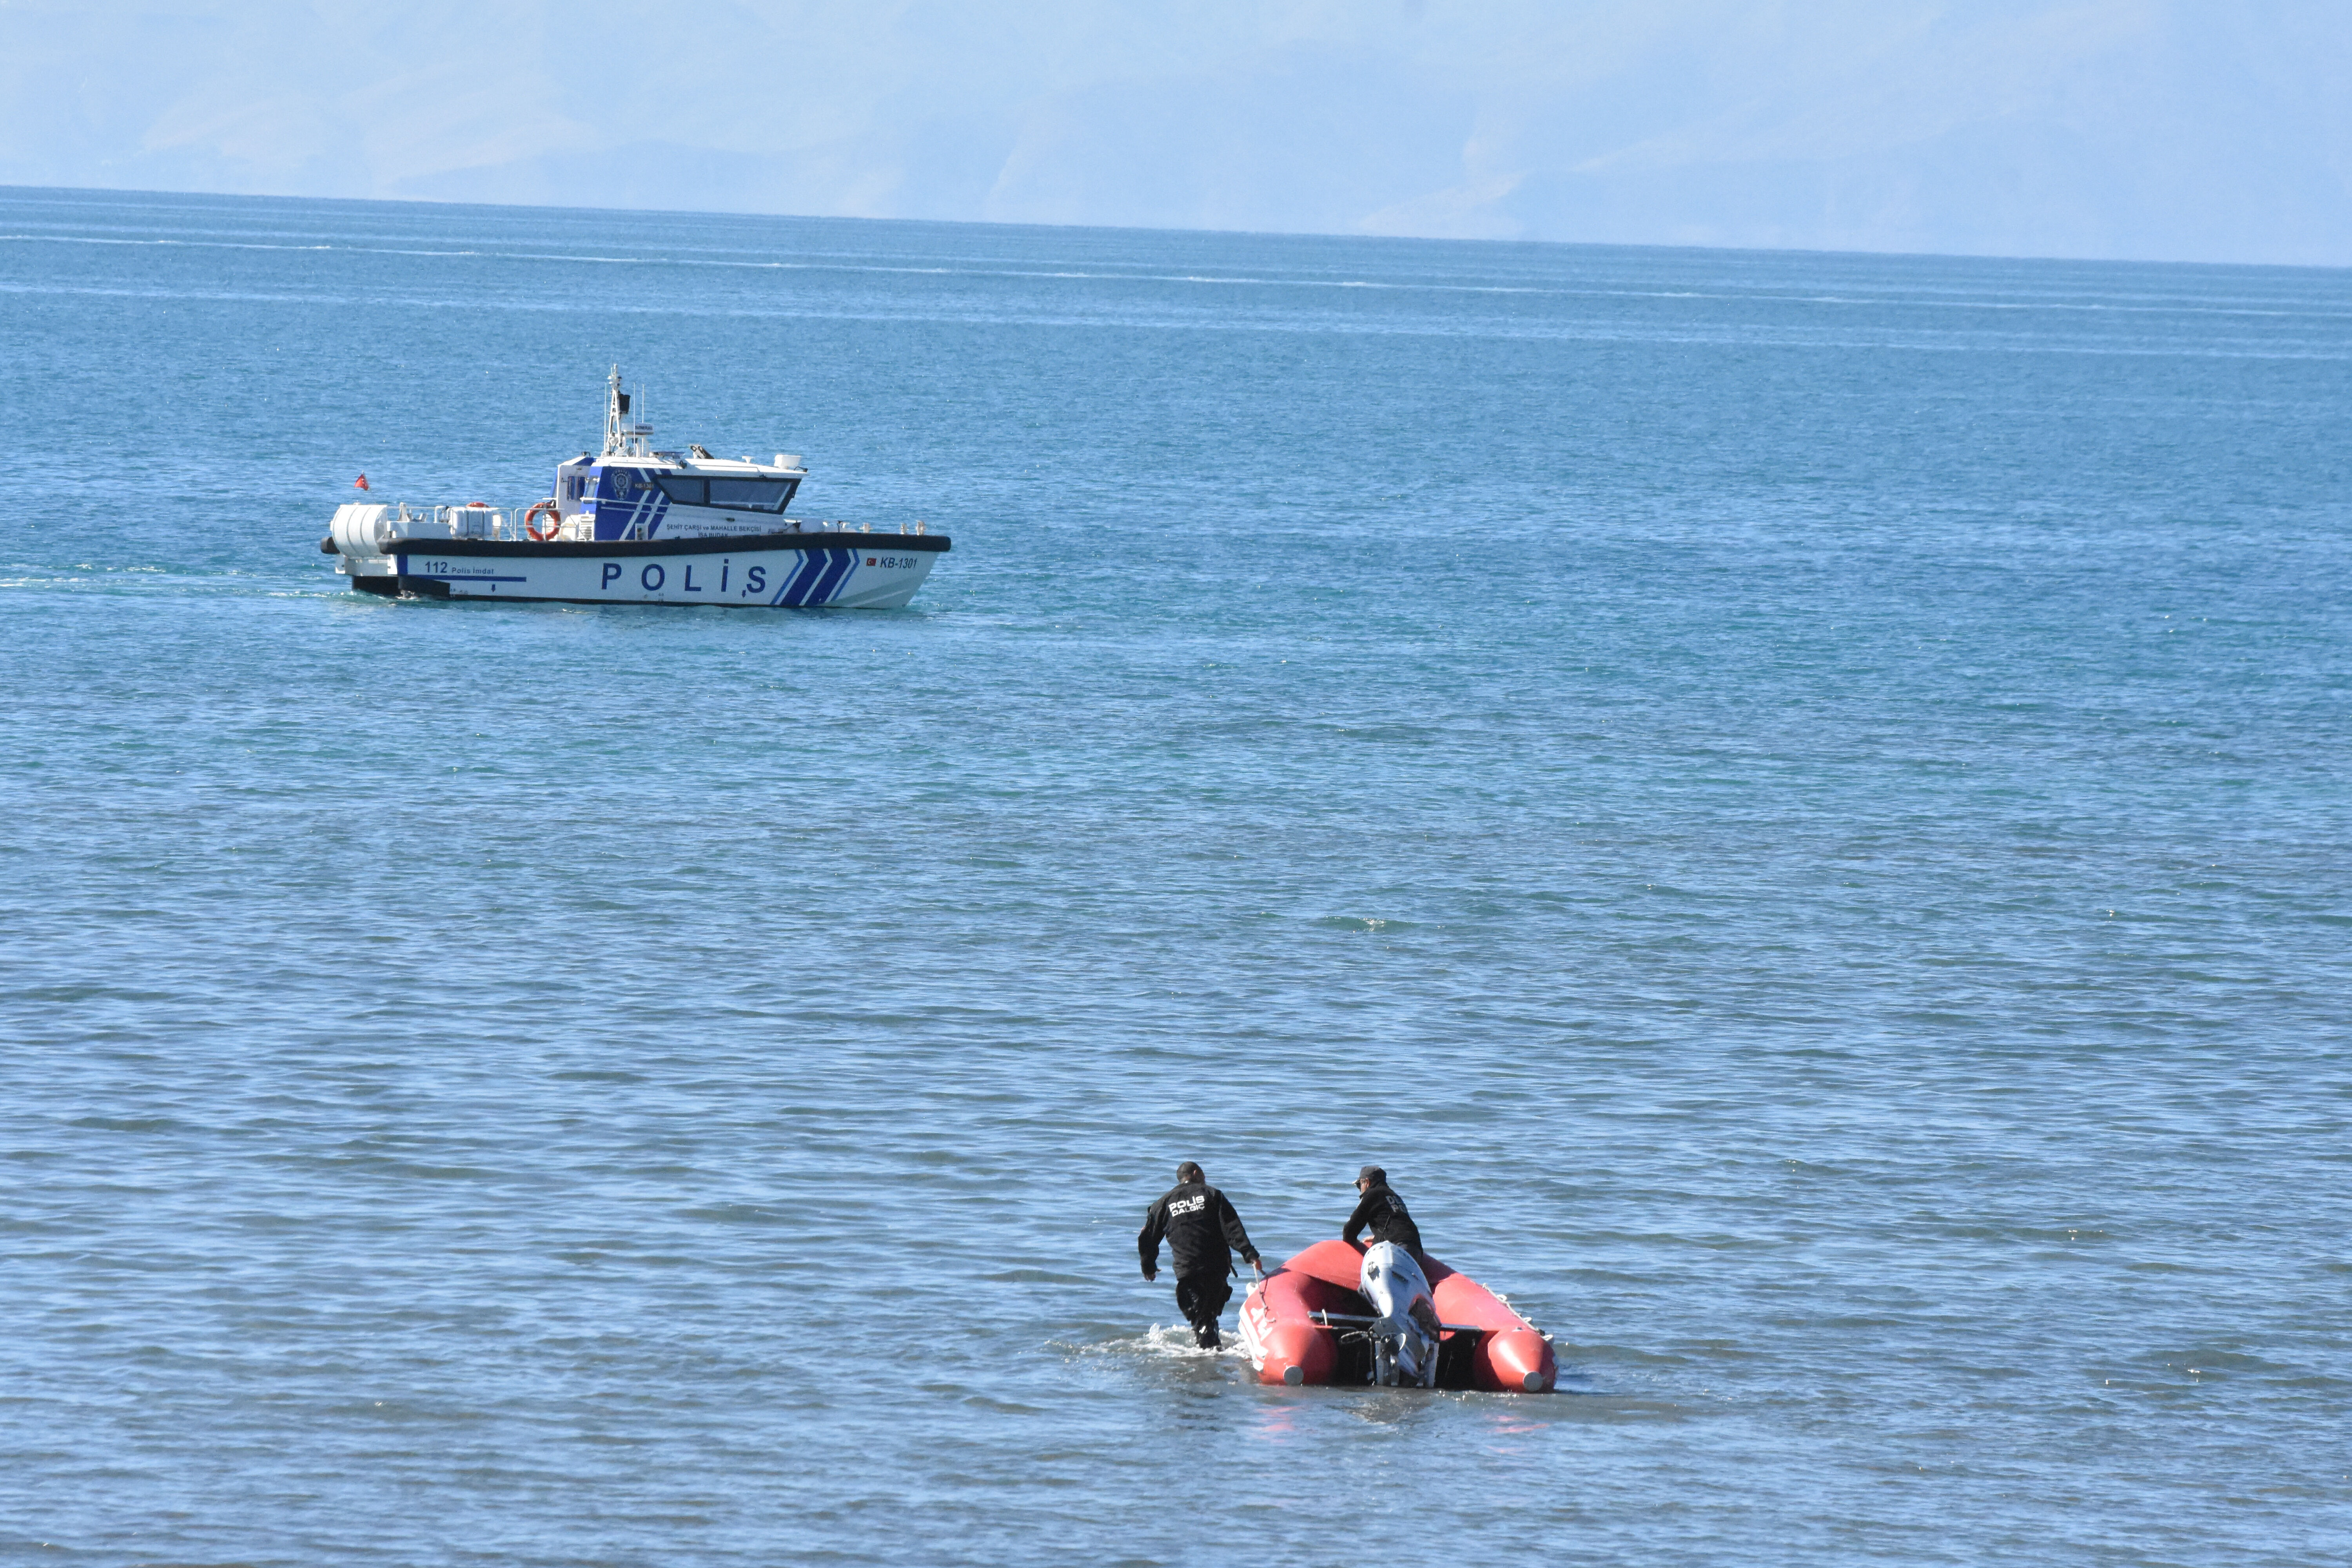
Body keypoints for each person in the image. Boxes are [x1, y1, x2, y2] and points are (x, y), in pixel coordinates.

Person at [1138, 1161, 1266, 1349]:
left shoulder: (1163, 1204)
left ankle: (1205, 1358)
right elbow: (1232, 1228)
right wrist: (1250, 1254)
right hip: (1215, 1268)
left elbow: (1147, 1238)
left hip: (1187, 1270)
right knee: (1207, 1318)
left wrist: (1148, 1267)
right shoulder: (1212, 1195)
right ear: (1196, 1173)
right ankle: (1211, 1358)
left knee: (1202, 1318)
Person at [1342, 1165, 1424, 1257]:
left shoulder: (1372, 1195)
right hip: (1416, 1248)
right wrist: (1379, 1238)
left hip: (1397, 1249)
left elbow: (1349, 1232)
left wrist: (1359, 1246)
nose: (1360, 1190)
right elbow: (1398, 1226)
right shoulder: (1395, 1197)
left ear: (1367, 1182)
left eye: (1359, 1185)